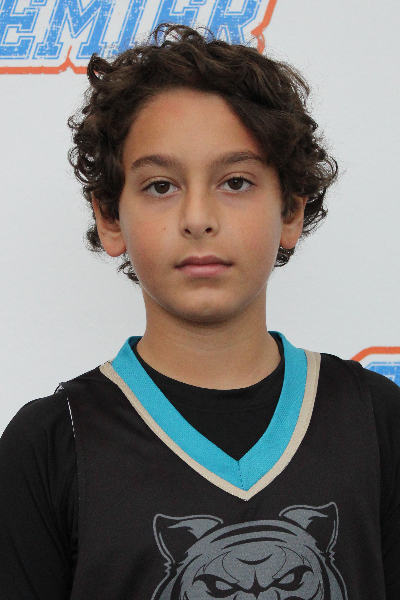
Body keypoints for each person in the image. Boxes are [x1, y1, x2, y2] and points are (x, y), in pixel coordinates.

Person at [1, 23, 399, 600]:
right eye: (161, 186)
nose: (197, 218)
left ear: (290, 211)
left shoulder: (377, 421)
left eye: (235, 181)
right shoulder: (51, 445)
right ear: (111, 218)